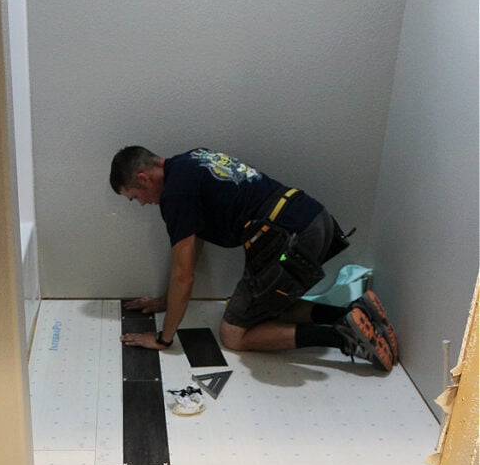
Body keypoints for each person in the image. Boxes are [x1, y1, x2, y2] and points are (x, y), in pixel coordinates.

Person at [110, 146, 398, 371]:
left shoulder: (175, 194)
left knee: (233, 335)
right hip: (312, 219)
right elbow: (192, 246)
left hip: (285, 238)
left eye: (136, 197)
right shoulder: (192, 160)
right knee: (268, 308)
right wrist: (165, 301)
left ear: (143, 178)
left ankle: (344, 337)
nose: (144, 203)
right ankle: (354, 313)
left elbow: (184, 274)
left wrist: (163, 339)